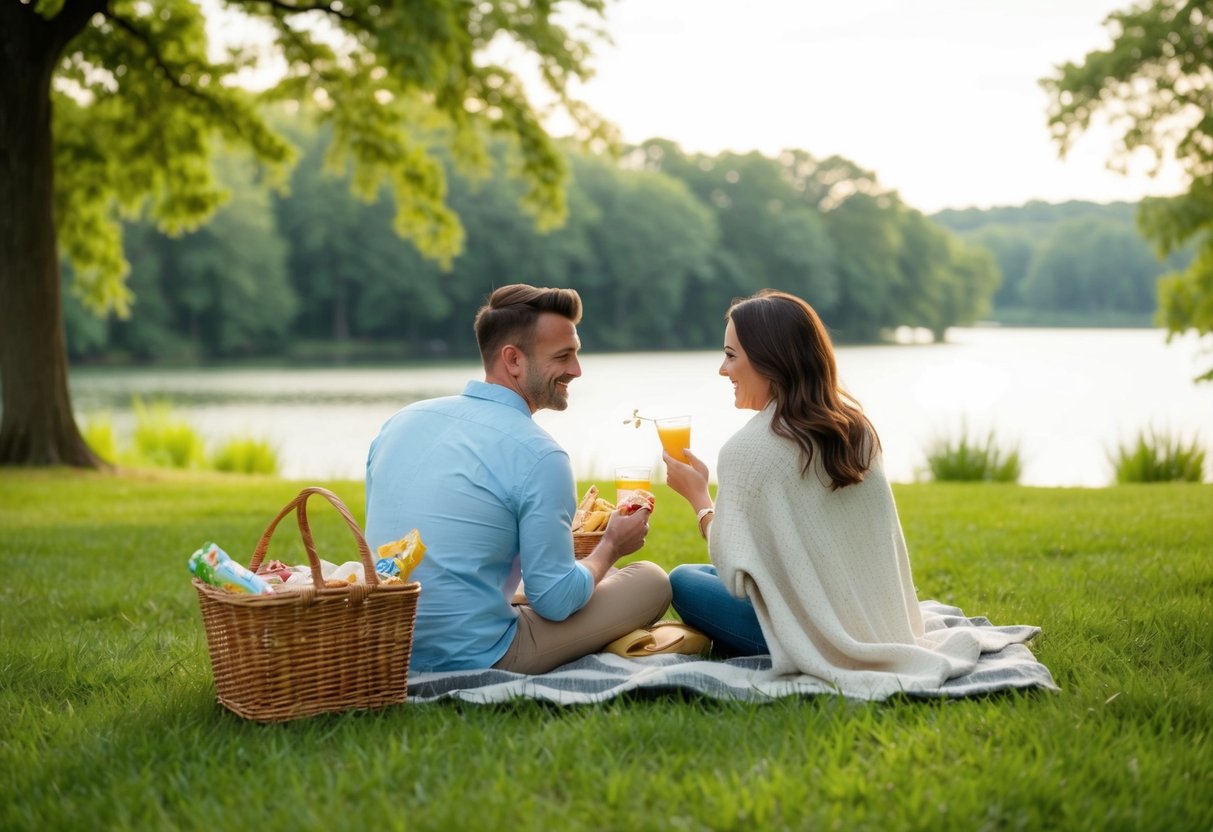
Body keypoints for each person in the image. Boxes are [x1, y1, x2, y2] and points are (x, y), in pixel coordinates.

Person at [663, 289, 1039, 697]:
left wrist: (699, 499)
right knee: (702, 576)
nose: (723, 370)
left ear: (770, 359)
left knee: (682, 580)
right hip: (882, 623)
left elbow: (735, 575)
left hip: (810, 641)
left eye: (731, 355)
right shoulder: (854, 428)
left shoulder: (746, 451)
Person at [365, 284, 671, 674]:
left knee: (583, 577)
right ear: (513, 359)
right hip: (476, 654)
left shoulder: (400, 422)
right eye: (563, 356)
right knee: (651, 580)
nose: (577, 370)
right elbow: (554, 601)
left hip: (385, 641)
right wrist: (611, 545)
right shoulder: (540, 454)